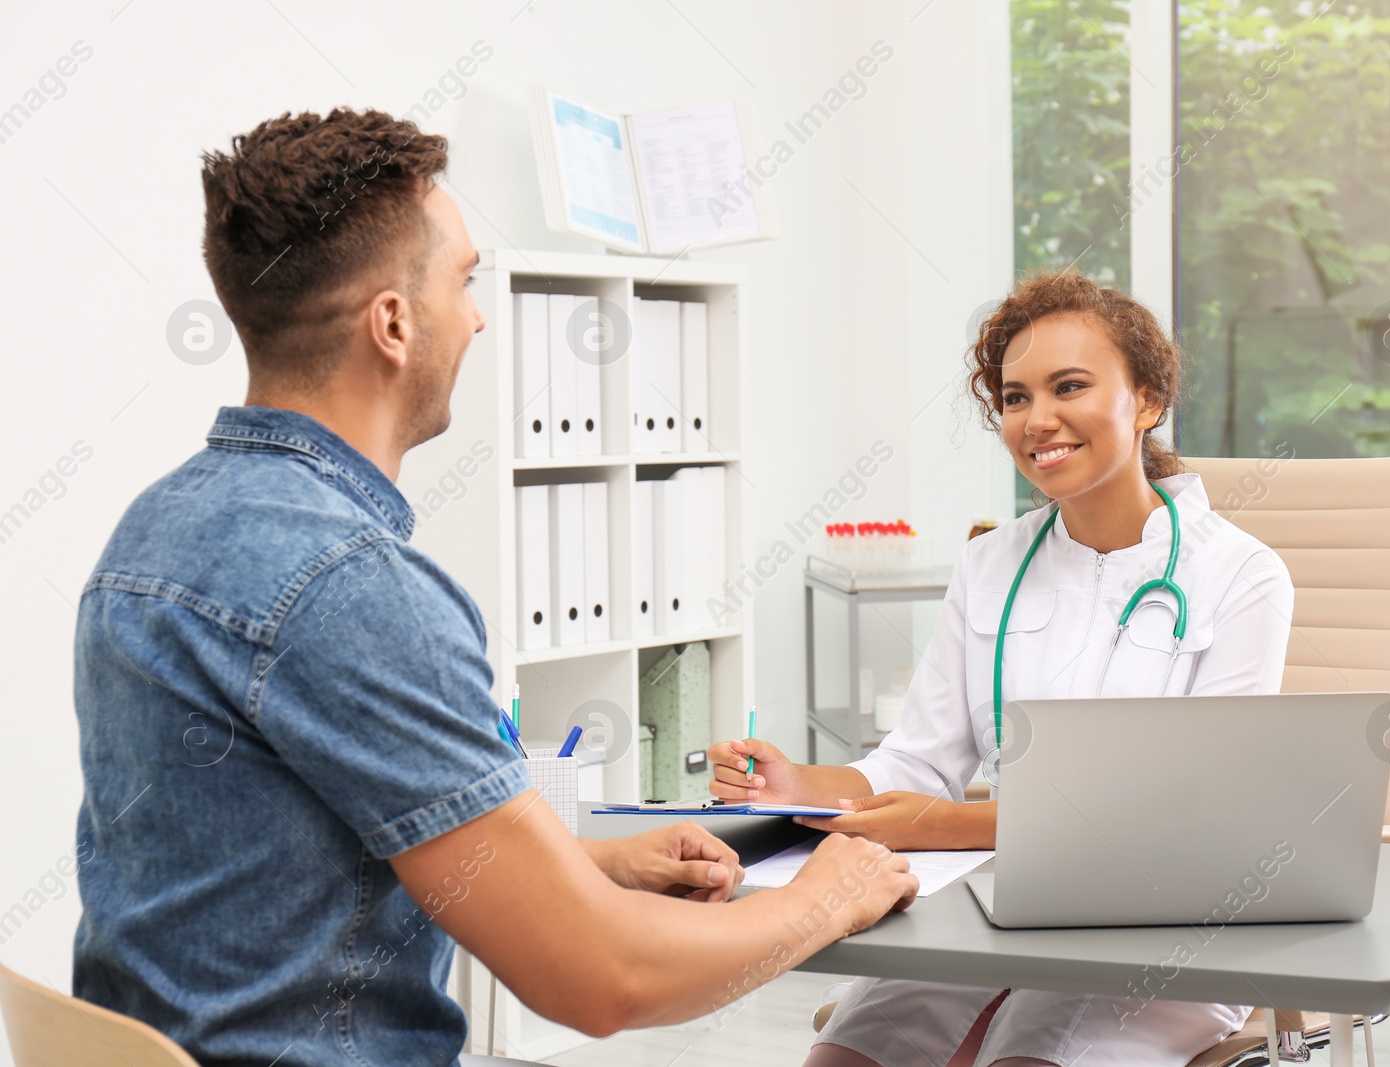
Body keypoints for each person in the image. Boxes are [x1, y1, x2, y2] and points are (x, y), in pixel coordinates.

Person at [71, 107, 917, 1067]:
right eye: (465, 280)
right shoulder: (353, 587)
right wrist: (829, 894)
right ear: (393, 323)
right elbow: (605, 980)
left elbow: (270, 859)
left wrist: (588, 864)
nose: (477, 316)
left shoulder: (154, 530)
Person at [707, 270, 1295, 1067]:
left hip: (1159, 931)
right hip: (988, 908)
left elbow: (1195, 818)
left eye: (1070, 386)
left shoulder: (1241, 575)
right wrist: (805, 785)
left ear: (1148, 400)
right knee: (845, 1059)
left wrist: (945, 824)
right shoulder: (992, 563)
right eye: (1015, 397)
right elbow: (919, 760)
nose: (1036, 419)